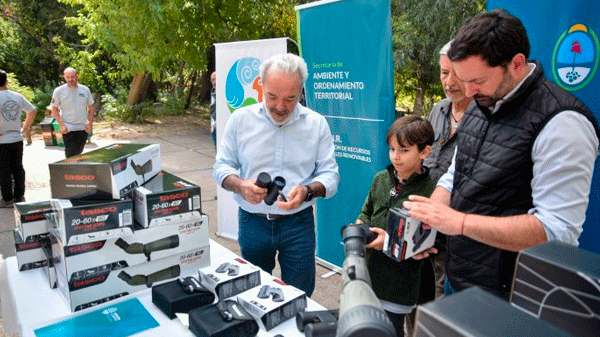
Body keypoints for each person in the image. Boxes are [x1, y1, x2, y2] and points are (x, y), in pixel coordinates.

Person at [403, 9, 600, 300]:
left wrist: (458, 223)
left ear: (517, 64)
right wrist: (431, 218)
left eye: (478, 81)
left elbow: (554, 231)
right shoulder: (481, 102)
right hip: (461, 278)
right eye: (462, 78)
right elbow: (457, 172)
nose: (468, 91)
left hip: (514, 295)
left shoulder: (562, 123)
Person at [212, 53, 340, 296]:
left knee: (300, 295)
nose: (280, 107)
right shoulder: (240, 120)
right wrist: (241, 186)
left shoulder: (317, 124)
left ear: (301, 90)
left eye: (290, 99)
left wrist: (308, 190)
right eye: (272, 97)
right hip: (253, 222)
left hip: (298, 224)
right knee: (251, 292)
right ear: (260, 85)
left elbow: (330, 175)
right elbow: (221, 168)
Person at [355, 115, 436, 336]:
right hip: (369, 276)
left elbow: (428, 240)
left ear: (424, 152)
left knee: (390, 331)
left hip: (399, 286)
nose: (396, 157)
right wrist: (361, 223)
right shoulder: (380, 179)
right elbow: (367, 209)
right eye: (392, 149)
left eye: (404, 150)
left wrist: (388, 243)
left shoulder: (431, 193)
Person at [0, 70, 37, 207]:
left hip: (2, 140)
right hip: (17, 138)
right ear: (6, 81)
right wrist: (25, 128)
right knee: (18, 168)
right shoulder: (17, 96)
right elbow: (32, 111)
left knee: (4, 170)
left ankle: (7, 198)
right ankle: (19, 195)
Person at [51, 67, 95, 158]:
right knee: (70, 154)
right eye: (67, 77)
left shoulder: (85, 90)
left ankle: (77, 171)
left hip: (83, 127)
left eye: (72, 77)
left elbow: (91, 107)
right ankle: (70, 171)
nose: (70, 79)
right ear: (64, 77)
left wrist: (89, 124)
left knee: (79, 151)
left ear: (77, 76)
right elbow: (54, 109)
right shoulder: (59, 91)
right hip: (68, 128)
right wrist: (62, 125)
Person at [209, 71, 217, 147]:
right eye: (212, 80)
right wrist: (212, 125)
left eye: (215, 79)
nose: (214, 82)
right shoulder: (213, 92)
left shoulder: (222, 92)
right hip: (215, 128)